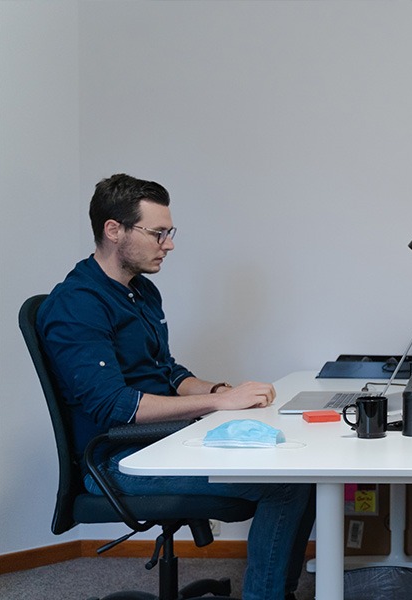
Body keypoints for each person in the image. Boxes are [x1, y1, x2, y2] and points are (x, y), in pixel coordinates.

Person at [37, 174, 314, 600]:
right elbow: (117, 407)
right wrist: (219, 402)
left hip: (161, 442)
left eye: (170, 232)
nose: (168, 244)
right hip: (117, 461)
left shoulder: (141, 292)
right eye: (158, 233)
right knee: (287, 485)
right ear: (114, 230)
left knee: (300, 468)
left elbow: (167, 372)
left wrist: (224, 391)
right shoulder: (76, 304)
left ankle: (278, 591)